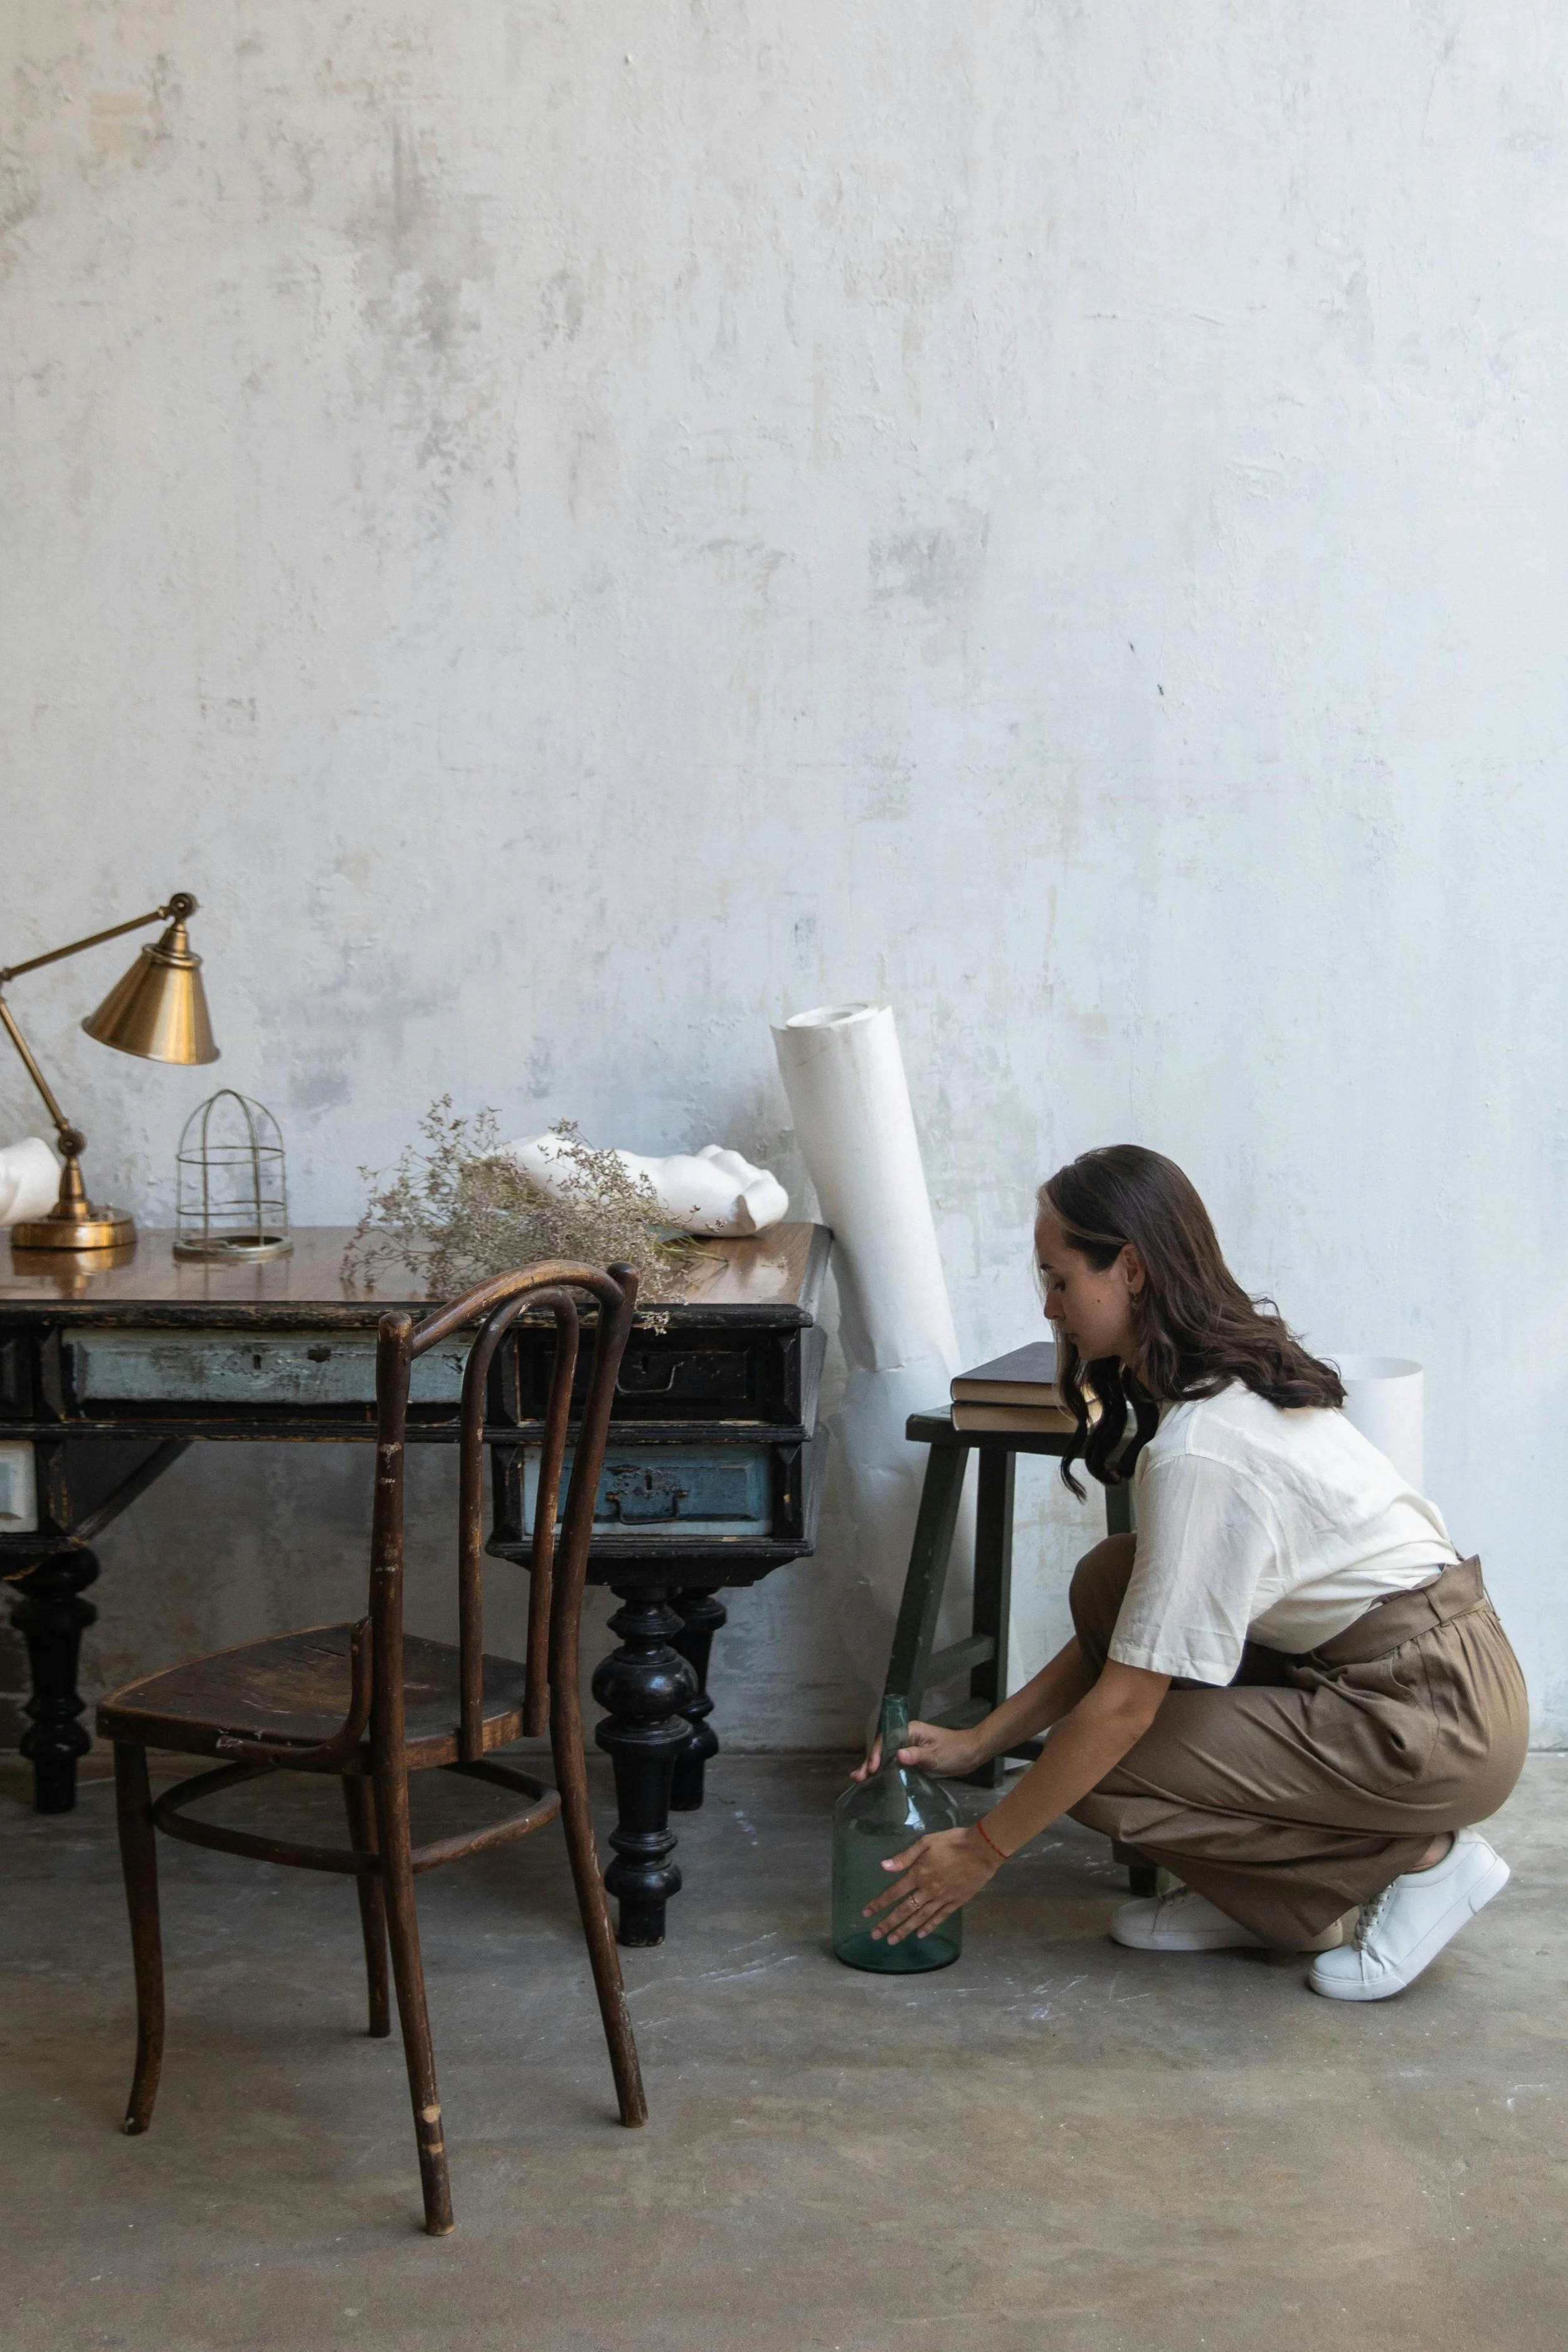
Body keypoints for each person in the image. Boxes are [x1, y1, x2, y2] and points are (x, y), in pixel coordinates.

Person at [857, 1145, 1527, 2000]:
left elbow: (1125, 1706)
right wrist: (984, 1738)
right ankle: (1263, 1904)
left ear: (1129, 1268)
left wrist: (984, 1849)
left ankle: (1426, 1861)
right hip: (1407, 1674)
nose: (1050, 1305)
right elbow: (1135, 1635)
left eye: (1060, 1278)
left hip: (1434, 1714)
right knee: (1115, 1579)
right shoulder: (1220, 1381)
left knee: (1100, 1770)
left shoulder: (1201, 1449)